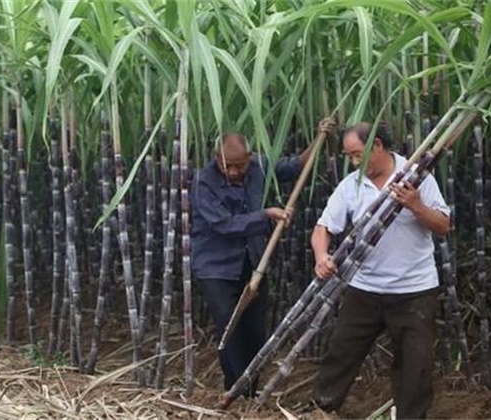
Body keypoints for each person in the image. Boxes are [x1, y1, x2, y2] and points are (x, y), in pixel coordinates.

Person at [311, 122, 450, 419]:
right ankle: (323, 410)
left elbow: (443, 226)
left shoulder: (416, 175)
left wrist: (416, 205)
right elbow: (323, 227)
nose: (353, 162)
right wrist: (321, 255)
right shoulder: (351, 184)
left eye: (357, 154)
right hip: (365, 287)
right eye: (349, 156)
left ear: (377, 145)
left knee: (416, 364)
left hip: (414, 289)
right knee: (342, 351)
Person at [190, 119, 335, 395]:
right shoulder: (202, 182)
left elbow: (296, 166)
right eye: (226, 166)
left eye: (239, 165)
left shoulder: (259, 166)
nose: (233, 171)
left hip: (254, 261)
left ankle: (251, 386)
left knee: (255, 329)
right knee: (229, 326)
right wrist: (266, 215)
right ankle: (236, 390)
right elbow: (224, 224)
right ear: (215, 159)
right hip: (216, 267)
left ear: (249, 156)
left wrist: (319, 137)